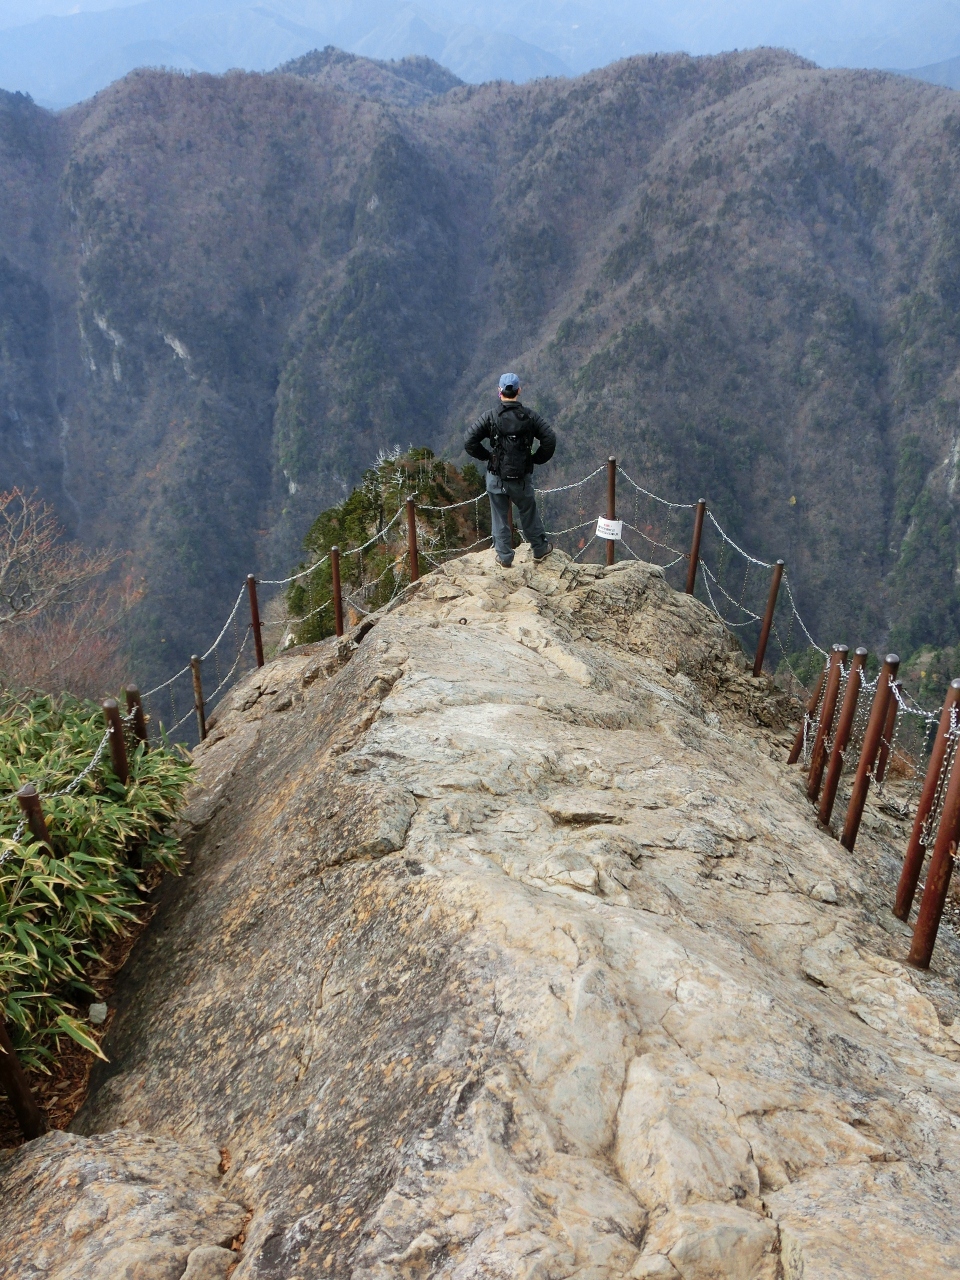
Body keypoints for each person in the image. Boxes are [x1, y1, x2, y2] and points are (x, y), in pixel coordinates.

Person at [463, 373, 557, 568]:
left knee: (499, 515)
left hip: (496, 476)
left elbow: (469, 441)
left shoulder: (490, 417)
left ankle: (504, 557)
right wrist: (534, 459)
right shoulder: (530, 417)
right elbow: (549, 438)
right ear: (518, 391)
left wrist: (488, 457)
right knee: (528, 511)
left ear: (499, 391)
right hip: (522, 477)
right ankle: (539, 549)